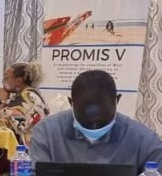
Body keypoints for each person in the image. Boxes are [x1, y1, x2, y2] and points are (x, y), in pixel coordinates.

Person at [29, 69, 162, 170]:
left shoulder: (145, 140)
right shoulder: (46, 132)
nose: (94, 126)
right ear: (71, 103)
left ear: (117, 100)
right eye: (86, 120)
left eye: (102, 119)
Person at [0, 61, 48, 147]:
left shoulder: (24, 97)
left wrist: (3, 101)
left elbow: (0, 124)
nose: (3, 80)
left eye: (6, 77)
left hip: (28, 149)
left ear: (18, 81)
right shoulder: (32, 93)